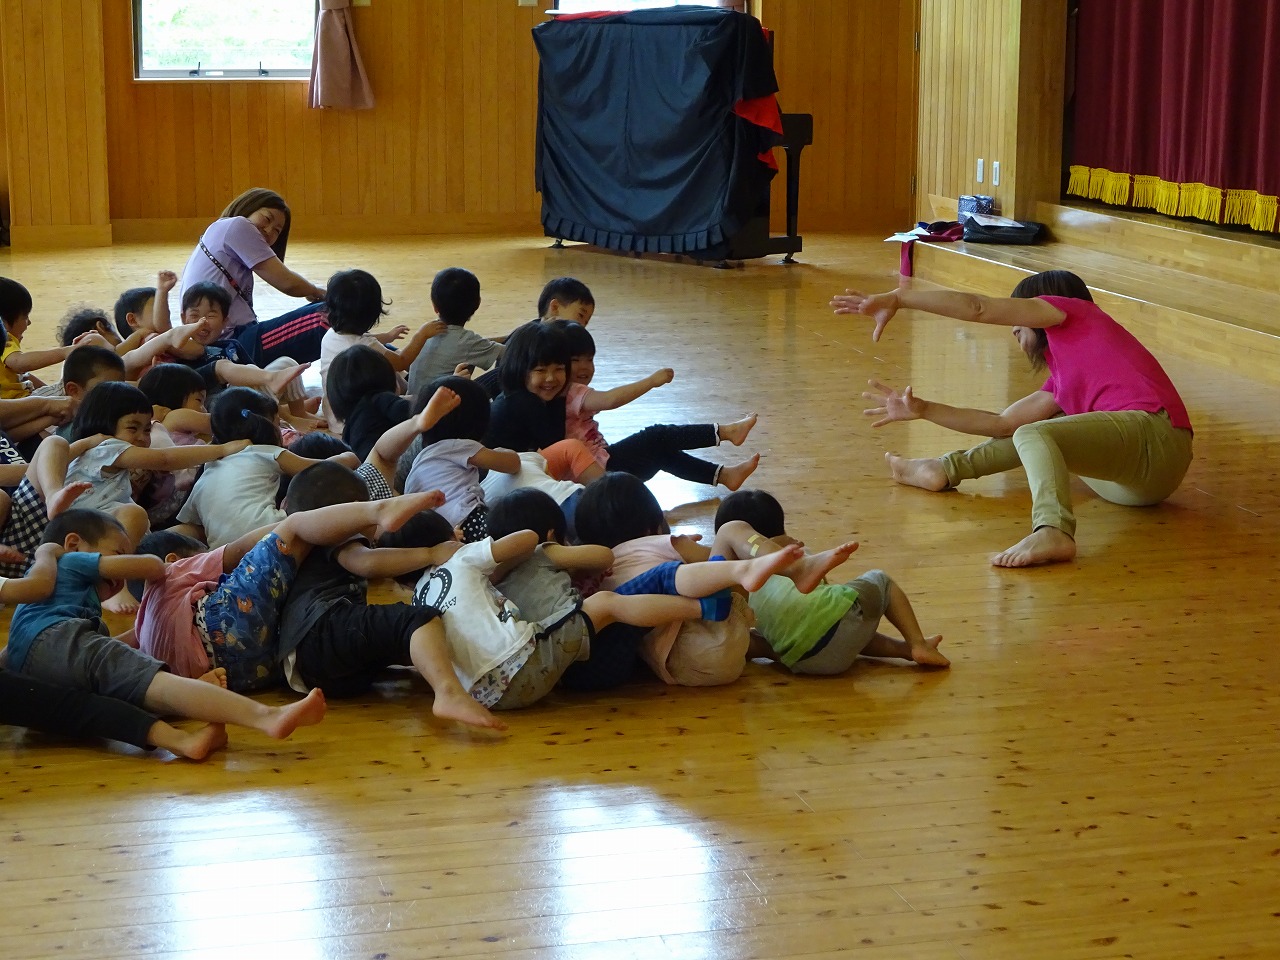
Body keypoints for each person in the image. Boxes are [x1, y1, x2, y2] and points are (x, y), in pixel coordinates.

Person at [831, 270, 1194, 568]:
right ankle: (942, 469)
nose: (1014, 329)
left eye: (1020, 316)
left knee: (1034, 434)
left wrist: (900, 298)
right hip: (1137, 488)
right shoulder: (1060, 384)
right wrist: (924, 409)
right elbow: (1002, 424)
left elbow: (978, 308)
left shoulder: (1075, 313)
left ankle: (1053, 529)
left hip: (1158, 435)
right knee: (1029, 434)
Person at [3, 509, 328, 743]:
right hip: (55, 642)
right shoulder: (69, 561)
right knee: (154, 684)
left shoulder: (52, 608)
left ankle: (186, 730)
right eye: (118, 552)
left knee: (128, 690)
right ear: (74, 544)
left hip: (30, 673)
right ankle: (265, 717)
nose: (119, 577)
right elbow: (153, 567)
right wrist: (154, 566)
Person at [714, 490, 949, 672]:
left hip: (805, 661)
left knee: (832, 624)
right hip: (834, 632)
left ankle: (904, 650)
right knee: (879, 583)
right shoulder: (795, 553)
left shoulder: (735, 579)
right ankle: (917, 644)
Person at [552, 319, 760, 490]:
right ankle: (726, 432)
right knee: (657, 435)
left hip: (602, 464)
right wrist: (651, 382)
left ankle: (724, 475)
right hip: (598, 472)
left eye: (589, 360)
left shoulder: (564, 391)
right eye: (576, 360)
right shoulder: (571, 391)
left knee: (661, 450)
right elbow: (610, 400)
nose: (585, 367)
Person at [175, 388, 358, 548]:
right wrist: (347, 458)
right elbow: (315, 468)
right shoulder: (267, 453)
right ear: (264, 426)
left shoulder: (209, 467)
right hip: (267, 535)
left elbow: (193, 524)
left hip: (222, 552)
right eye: (278, 424)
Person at [179, 188, 329, 364]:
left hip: (232, 342)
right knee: (330, 315)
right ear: (249, 207)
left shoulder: (219, 231)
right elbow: (287, 282)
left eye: (277, 231)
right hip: (228, 347)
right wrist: (317, 292)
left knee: (333, 315)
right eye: (267, 219)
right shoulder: (237, 225)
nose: (269, 230)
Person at [317, 268, 445, 425]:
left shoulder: (331, 334)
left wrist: (388, 336)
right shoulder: (366, 347)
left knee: (386, 365)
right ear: (373, 313)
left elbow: (363, 340)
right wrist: (421, 335)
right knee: (397, 375)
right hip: (358, 421)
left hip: (334, 412)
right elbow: (402, 361)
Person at [401, 375, 519, 542]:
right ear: (477, 422)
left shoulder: (423, 456)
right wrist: (502, 452)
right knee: (519, 525)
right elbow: (512, 464)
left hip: (432, 534)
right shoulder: (459, 446)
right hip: (465, 520)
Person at [406, 268, 505, 398]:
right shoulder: (467, 341)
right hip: (442, 405)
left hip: (413, 403)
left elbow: (482, 345)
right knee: (501, 373)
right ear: (478, 304)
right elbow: (509, 352)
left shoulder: (427, 331)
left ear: (435, 307)